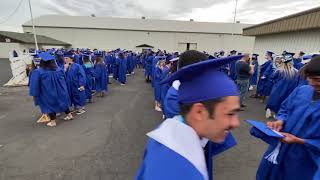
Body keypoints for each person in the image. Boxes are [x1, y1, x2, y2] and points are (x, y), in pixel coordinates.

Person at [135, 55, 243, 180]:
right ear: (199, 112)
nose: (236, 123)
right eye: (230, 114)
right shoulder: (174, 171)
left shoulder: (170, 134)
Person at [250, 55, 320, 180]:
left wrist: (299, 140)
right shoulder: (302, 90)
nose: (312, 83)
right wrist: (280, 120)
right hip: (280, 148)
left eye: (317, 79)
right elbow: (285, 109)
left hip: (306, 157)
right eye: (310, 78)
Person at [29, 52, 73, 127]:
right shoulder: (59, 70)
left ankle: (53, 122)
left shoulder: (38, 72)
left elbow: (34, 84)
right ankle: (69, 115)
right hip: (61, 91)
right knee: (62, 102)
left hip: (48, 92)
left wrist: (35, 93)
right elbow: (64, 79)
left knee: (49, 106)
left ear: (42, 62)